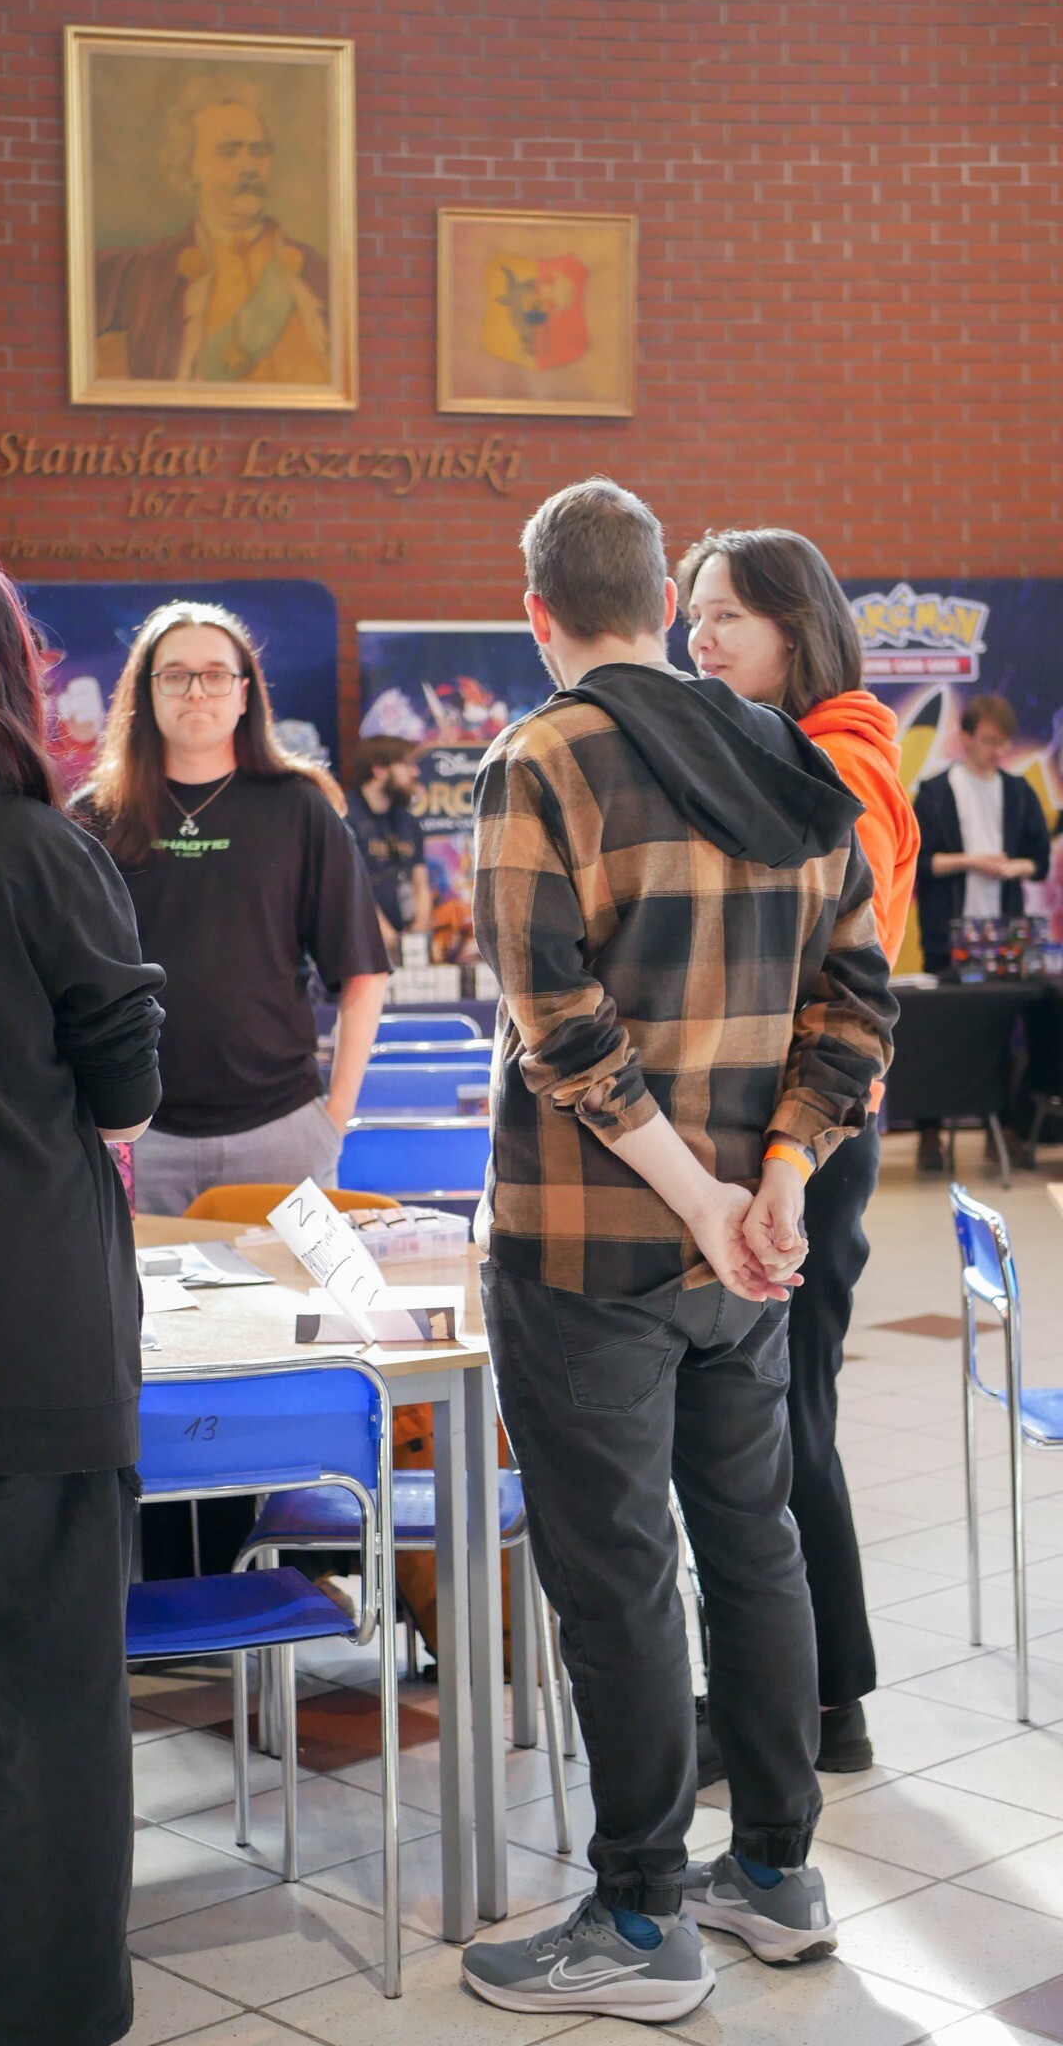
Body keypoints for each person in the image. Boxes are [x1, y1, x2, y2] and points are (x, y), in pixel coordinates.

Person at [460, 480, 895, 2023]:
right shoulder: (788, 751)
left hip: (590, 1253)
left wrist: (710, 1197)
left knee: (619, 1574)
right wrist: (774, 1178)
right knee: (752, 1542)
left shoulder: (542, 757)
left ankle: (643, 1915)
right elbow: (859, 1006)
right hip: (746, 1256)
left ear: (539, 615)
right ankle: (775, 1870)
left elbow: (559, 1028)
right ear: (661, 601)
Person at [0, 546, 164, 2046]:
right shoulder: (36, 850)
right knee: (41, 1716)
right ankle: (36, 2013)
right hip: (30, 1345)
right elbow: (126, 1089)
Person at [678, 526, 919, 1776]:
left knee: (779, 1421)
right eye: (693, 613)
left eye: (727, 614)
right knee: (771, 1419)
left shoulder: (841, 757)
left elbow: (827, 964)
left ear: (796, 625)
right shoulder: (792, 745)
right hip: (786, 1129)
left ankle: (817, 1704)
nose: (700, 637)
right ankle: (818, 1697)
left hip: (808, 1134)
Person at [77, 599, 389, 1219]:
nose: (197, 690)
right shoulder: (92, 818)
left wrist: (332, 1120)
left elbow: (363, 972)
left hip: (281, 1133)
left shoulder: (300, 808)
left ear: (245, 693)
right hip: (135, 1138)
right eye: (175, 675)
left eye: (215, 674)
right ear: (146, 691)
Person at [95, 78, 330, 387]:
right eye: (229, 152)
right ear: (190, 165)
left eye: (259, 150)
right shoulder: (145, 275)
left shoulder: (316, 273)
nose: (249, 166)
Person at [913, 694, 1050, 1170]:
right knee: (938, 1033)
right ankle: (929, 1132)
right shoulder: (935, 791)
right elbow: (921, 863)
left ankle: (1005, 1128)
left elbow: (1038, 861)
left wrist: (1013, 867)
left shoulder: (1018, 791)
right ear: (966, 738)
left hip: (1004, 935)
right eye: (990, 740)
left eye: (1003, 742)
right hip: (946, 935)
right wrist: (972, 861)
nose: (998, 751)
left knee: (1002, 1034)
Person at [346, 736, 433, 961]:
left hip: (406, 946)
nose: (415, 772)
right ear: (380, 771)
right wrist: (388, 938)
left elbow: (421, 883)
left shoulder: (408, 823)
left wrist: (417, 936)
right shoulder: (345, 819)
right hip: (361, 948)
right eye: (406, 765)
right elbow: (350, 889)